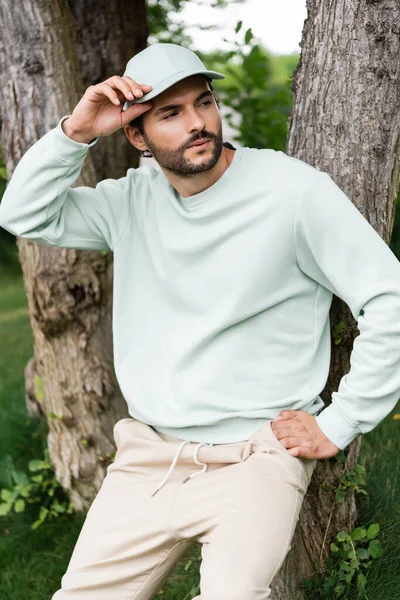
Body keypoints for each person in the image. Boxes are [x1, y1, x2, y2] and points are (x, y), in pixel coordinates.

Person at [1, 42, 400, 599]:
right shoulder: (129, 203)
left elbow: (389, 296)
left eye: (203, 102)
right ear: (135, 135)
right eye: (170, 113)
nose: (198, 124)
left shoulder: (293, 192)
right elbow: (24, 213)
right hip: (148, 459)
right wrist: (78, 131)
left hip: (256, 458)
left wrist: (341, 421)